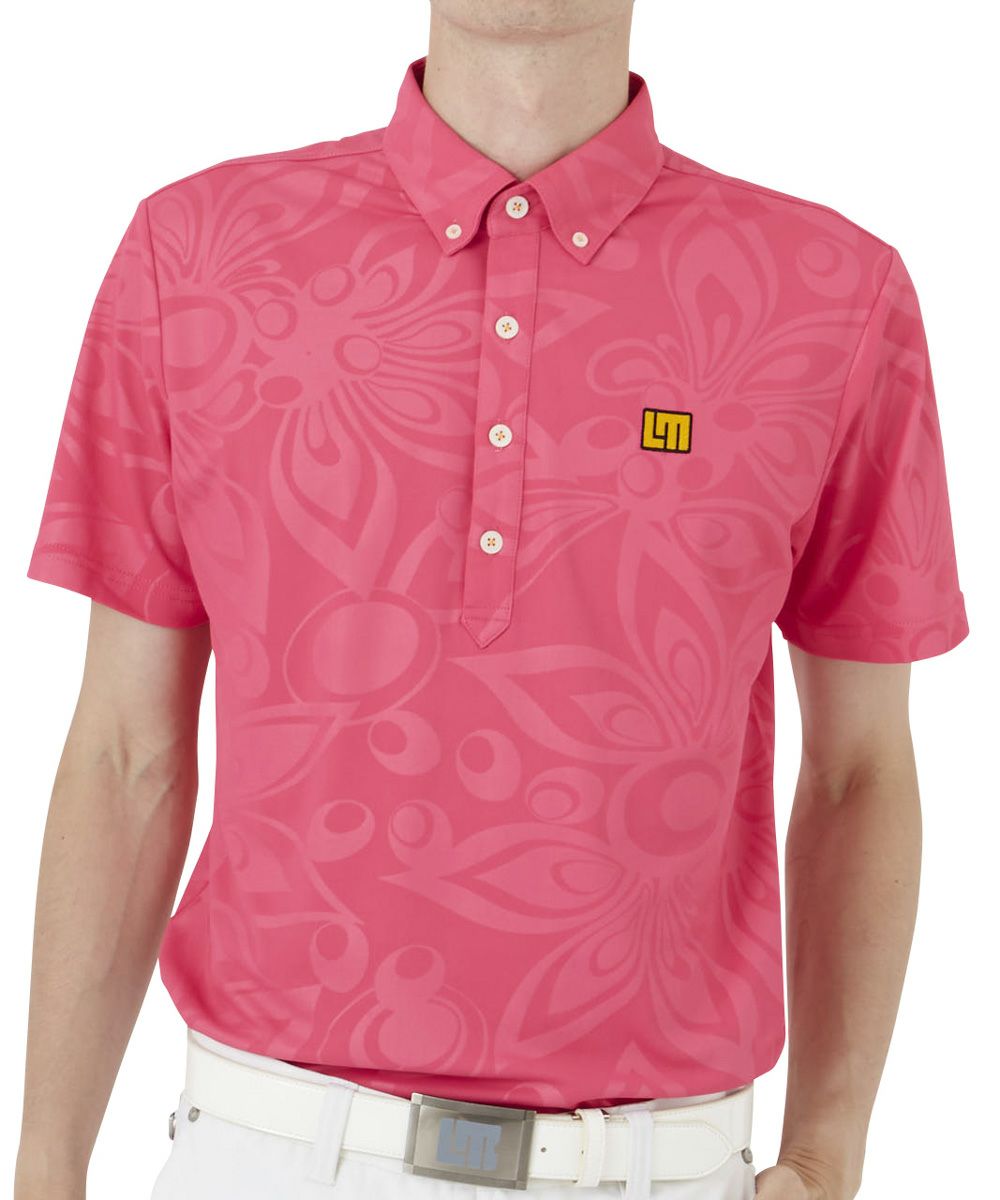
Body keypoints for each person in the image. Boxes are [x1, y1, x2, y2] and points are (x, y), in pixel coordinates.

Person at [13, 2, 970, 1198]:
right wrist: (44, 1170)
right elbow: (123, 753)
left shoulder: (828, 295)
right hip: (266, 1151)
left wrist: (827, 1153)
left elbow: (856, 772)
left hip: (661, 1166)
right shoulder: (198, 253)